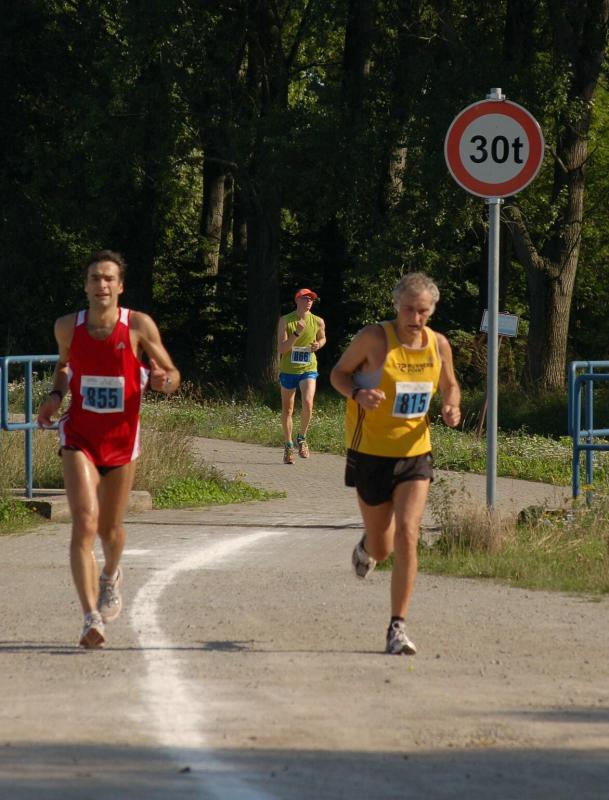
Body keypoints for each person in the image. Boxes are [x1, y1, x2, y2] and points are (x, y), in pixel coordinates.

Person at [37, 250, 180, 649]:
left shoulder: (137, 325)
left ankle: (110, 575)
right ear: (85, 286)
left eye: (108, 278)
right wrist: (54, 397)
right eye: (95, 278)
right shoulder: (67, 326)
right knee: (84, 523)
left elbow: (172, 374)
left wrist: (163, 382)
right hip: (79, 436)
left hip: (121, 441)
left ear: (120, 286)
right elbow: (64, 367)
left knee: (109, 530)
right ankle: (90, 618)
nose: (101, 284)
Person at [330, 272, 460, 655]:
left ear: (432, 310)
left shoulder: (438, 345)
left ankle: (397, 627)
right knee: (383, 547)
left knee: (407, 533)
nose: (415, 318)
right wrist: (357, 393)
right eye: (409, 309)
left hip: (415, 452)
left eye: (423, 311)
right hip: (370, 453)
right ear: (396, 306)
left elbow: (450, 384)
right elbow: (337, 374)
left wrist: (451, 405)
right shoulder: (374, 338)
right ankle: (367, 547)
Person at [277, 288, 326, 464]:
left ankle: (302, 438)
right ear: (297, 300)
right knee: (288, 410)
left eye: (311, 299)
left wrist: (318, 345)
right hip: (289, 369)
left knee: (308, 402)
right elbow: (282, 349)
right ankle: (289, 445)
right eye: (305, 298)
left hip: (308, 368)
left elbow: (323, 338)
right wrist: (296, 333)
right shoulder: (285, 320)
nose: (309, 301)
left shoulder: (318, 321)